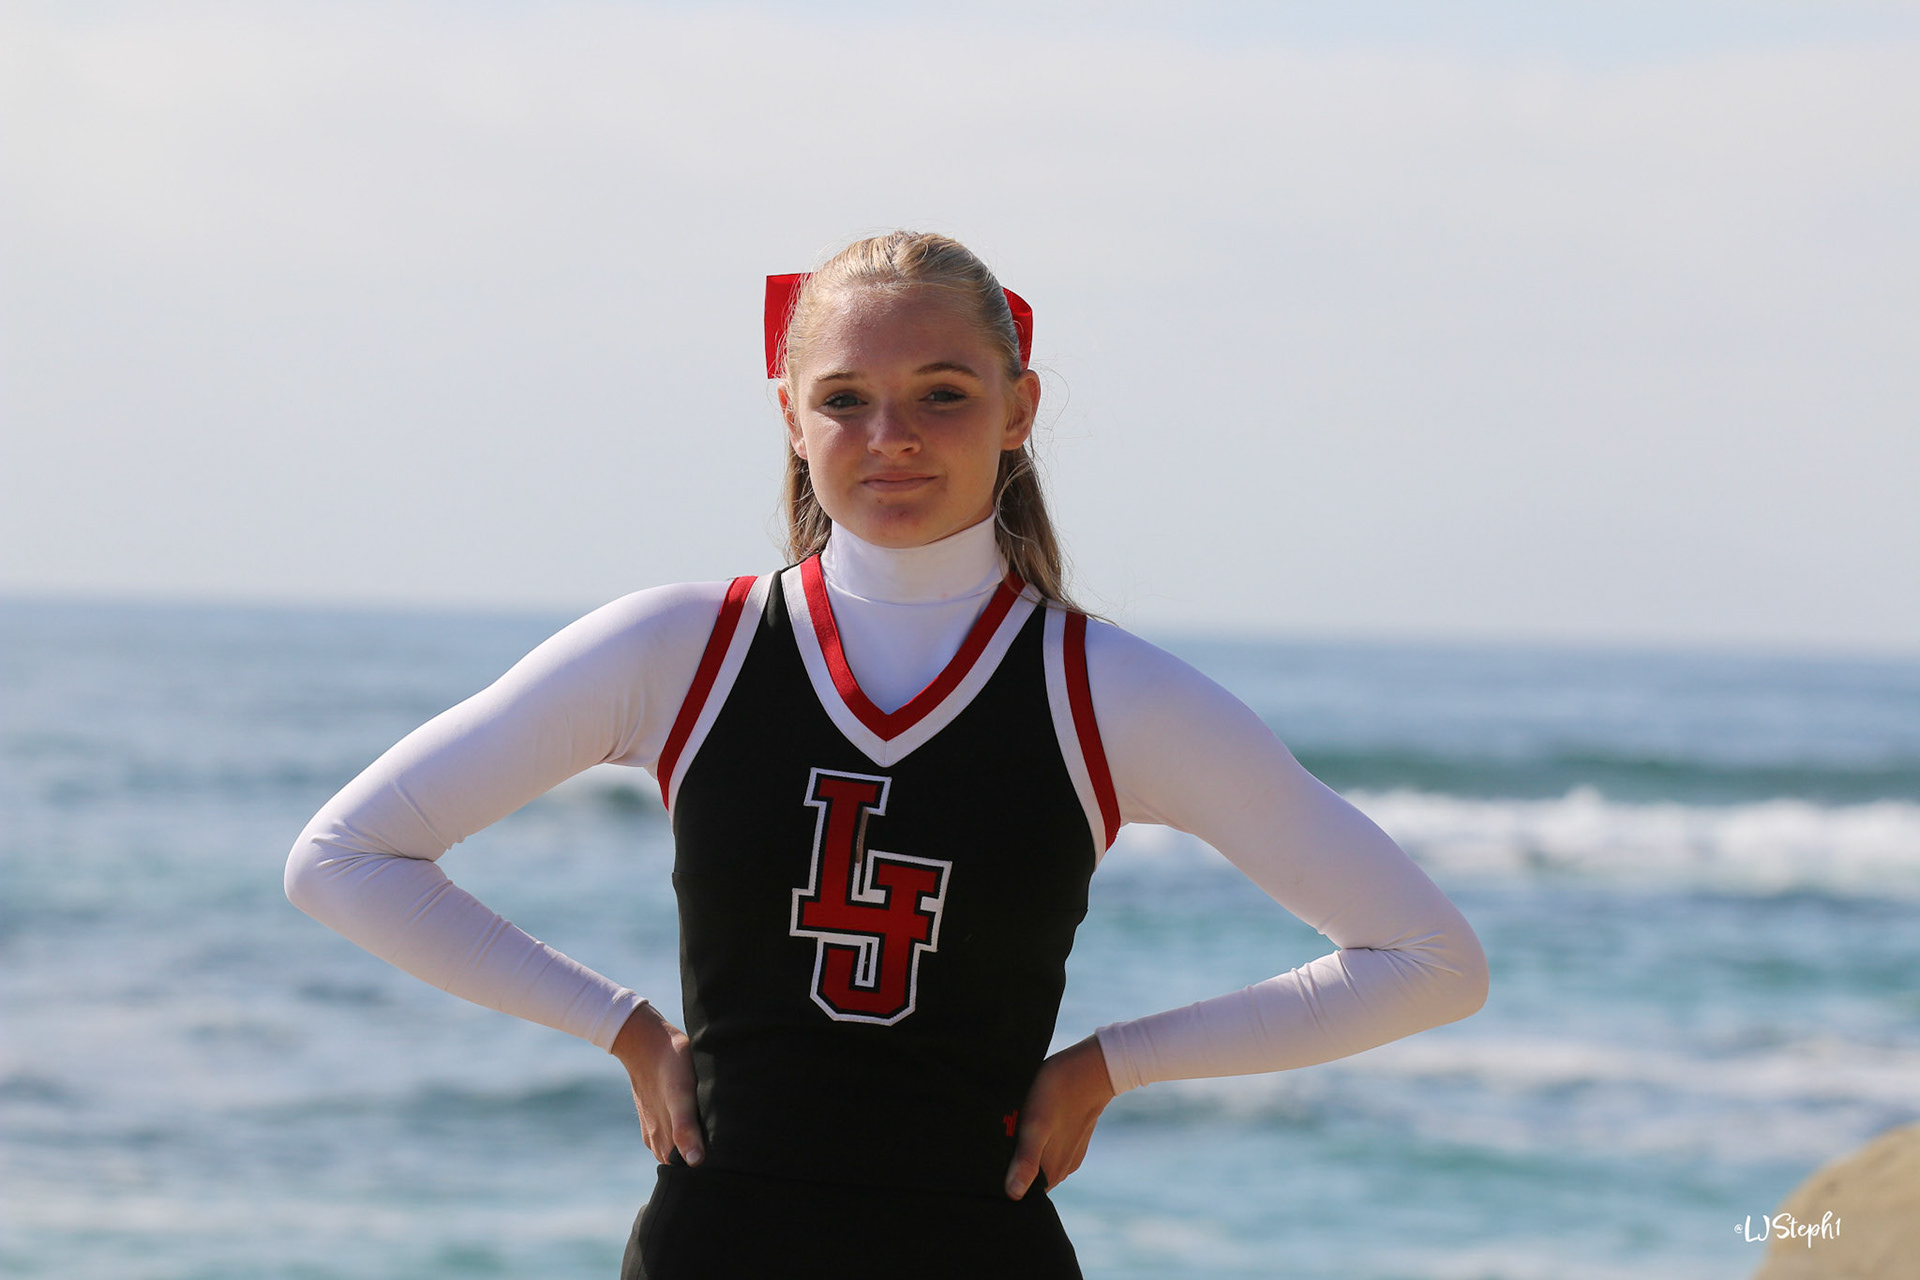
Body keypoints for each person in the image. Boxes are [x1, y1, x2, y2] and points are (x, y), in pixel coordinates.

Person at [284, 230, 1490, 1278]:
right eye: (846, 396)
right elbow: (343, 858)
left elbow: (1433, 961)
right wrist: (623, 1026)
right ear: (788, 413)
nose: (891, 436)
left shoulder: (1108, 690)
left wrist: (1112, 1064)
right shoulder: (682, 648)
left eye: (943, 393)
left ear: (1019, 409)